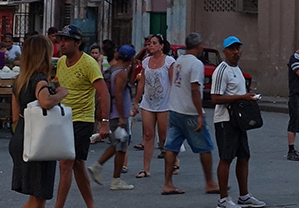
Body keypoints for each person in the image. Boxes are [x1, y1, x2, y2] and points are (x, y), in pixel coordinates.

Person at [0, 32, 66, 208]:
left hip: (21, 140)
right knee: (39, 197)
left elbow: (16, 117)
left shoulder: (19, 80)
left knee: (33, 198)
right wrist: (61, 94)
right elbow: (46, 102)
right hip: (40, 143)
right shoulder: (40, 79)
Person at [46, 25, 105, 208]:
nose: (61, 44)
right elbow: (59, 85)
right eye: (60, 40)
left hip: (82, 120)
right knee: (78, 165)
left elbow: (103, 92)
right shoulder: (61, 62)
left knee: (65, 164)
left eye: (66, 40)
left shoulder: (89, 64)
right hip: (63, 118)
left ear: (77, 43)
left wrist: (104, 121)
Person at [210, 37, 265, 208]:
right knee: (226, 158)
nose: (236, 52)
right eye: (232, 49)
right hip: (225, 120)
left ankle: (244, 195)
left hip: (239, 120)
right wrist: (242, 97)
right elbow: (215, 97)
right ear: (225, 51)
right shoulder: (222, 70)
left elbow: (238, 92)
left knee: (244, 156)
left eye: (238, 48)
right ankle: (223, 199)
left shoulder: (238, 70)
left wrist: (248, 95)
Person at [162, 32, 217, 195]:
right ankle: (210, 182)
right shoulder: (196, 64)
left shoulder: (180, 61)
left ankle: (168, 183)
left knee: (172, 147)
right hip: (189, 111)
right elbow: (194, 88)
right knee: (205, 147)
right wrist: (200, 113)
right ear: (199, 46)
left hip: (175, 109)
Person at [93, 45, 138, 190]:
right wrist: (121, 118)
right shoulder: (121, 73)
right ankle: (114, 178)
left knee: (118, 144)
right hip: (118, 113)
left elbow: (128, 84)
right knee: (120, 146)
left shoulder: (113, 69)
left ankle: (101, 169)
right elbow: (118, 94)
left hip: (114, 112)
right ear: (131, 58)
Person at [135, 34, 174, 178]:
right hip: (148, 103)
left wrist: (175, 102)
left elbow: (173, 82)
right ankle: (146, 168)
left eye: (153, 43)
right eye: (149, 43)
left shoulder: (169, 61)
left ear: (161, 46)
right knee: (148, 135)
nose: (150, 46)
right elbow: (141, 82)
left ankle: (174, 162)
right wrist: (136, 101)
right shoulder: (146, 62)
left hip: (164, 104)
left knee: (164, 136)